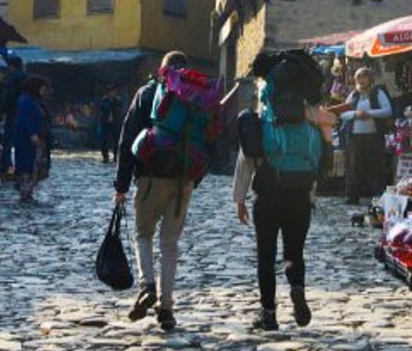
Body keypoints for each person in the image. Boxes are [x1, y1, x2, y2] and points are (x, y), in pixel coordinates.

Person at [233, 50, 334, 332]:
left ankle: (268, 314)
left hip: (266, 196)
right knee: (295, 253)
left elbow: (246, 161)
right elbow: (325, 164)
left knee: (265, 257)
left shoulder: (261, 123)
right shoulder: (311, 128)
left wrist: (239, 199)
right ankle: (297, 288)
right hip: (299, 196)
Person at [113, 51, 210, 332]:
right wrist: (193, 178)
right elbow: (210, 140)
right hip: (182, 180)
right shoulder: (196, 99)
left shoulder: (146, 94)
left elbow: (127, 138)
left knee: (143, 234)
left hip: (149, 176)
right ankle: (166, 308)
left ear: (162, 70)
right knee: (170, 243)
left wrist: (121, 186)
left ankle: (146, 287)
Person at [324, 67, 392, 205]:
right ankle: (352, 196)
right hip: (355, 136)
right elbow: (343, 114)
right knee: (354, 166)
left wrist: (369, 114)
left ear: (370, 79)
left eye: (364, 77)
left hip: (373, 136)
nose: (362, 80)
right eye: (359, 78)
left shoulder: (377, 93)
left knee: (375, 167)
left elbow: (387, 111)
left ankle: (378, 197)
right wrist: (356, 114)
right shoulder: (354, 95)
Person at [13, 75, 51, 202]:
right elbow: (25, 119)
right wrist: (32, 133)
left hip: (38, 137)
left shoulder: (35, 100)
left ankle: (28, 190)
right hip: (27, 139)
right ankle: (25, 190)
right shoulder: (26, 100)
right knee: (28, 165)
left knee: (36, 165)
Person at [98, 83, 124, 163]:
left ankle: (116, 156)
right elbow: (103, 107)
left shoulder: (118, 100)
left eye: (113, 91)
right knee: (104, 141)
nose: (112, 93)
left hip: (115, 123)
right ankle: (105, 156)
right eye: (110, 91)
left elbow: (119, 108)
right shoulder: (103, 100)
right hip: (105, 123)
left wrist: (113, 104)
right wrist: (111, 104)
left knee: (116, 140)